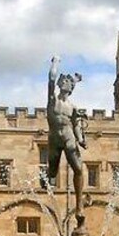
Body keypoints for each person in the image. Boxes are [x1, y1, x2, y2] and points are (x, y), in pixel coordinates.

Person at [47, 56, 87, 225]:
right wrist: (55, 62)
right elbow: (51, 78)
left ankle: (79, 205)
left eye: (68, 81)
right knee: (52, 172)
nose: (64, 82)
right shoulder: (52, 100)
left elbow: (76, 125)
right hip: (55, 138)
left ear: (71, 88)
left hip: (68, 135)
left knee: (78, 169)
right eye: (63, 80)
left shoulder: (73, 107)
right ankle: (47, 179)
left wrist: (81, 139)